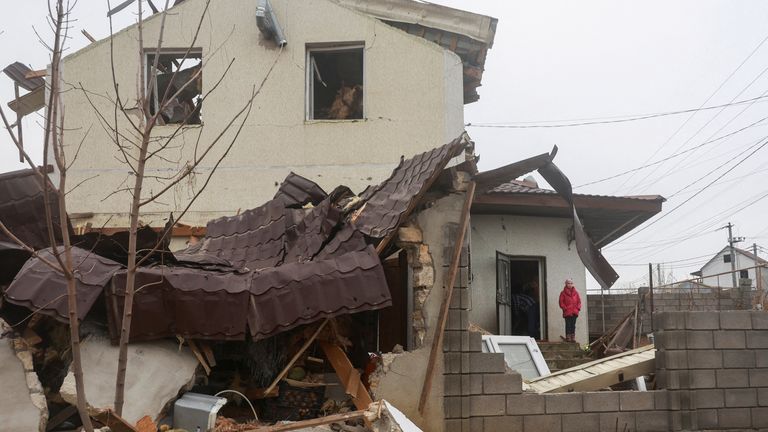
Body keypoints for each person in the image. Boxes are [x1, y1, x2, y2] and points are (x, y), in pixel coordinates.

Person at [558, 278, 581, 343]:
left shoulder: (576, 293)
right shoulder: (563, 293)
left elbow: (579, 301)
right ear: (566, 284)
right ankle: (568, 337)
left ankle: (572, 337)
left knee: (573, 325)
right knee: (568, 324)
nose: (570, 284)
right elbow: (561, 302)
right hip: (567, 312)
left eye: (571, 283)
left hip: (574, 312)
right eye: (568, 283)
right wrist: (565, 308)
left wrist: (578, 308)